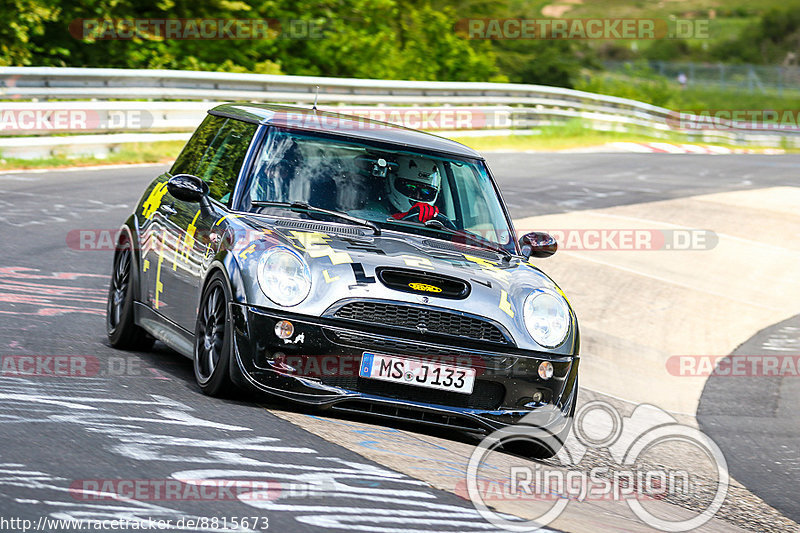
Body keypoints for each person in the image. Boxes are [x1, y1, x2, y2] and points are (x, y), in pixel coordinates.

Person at [386, 156, 442, 223]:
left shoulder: (434, 221)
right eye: (411, 188)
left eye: (426, 192)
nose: (418, 196)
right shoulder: (375, 212)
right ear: (391, 181)